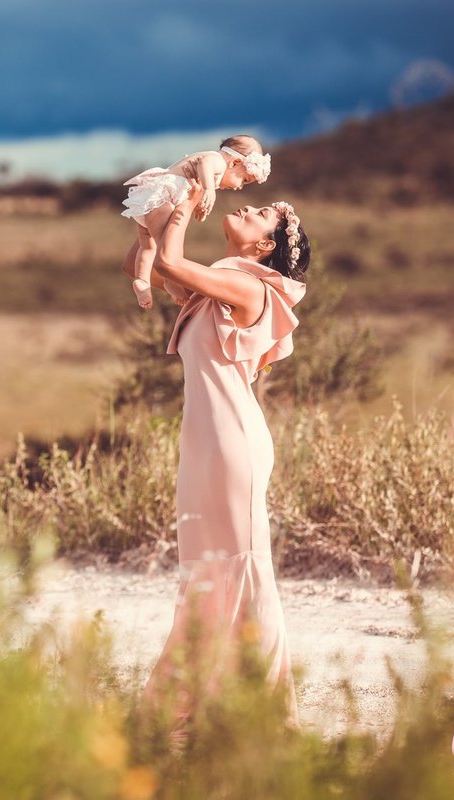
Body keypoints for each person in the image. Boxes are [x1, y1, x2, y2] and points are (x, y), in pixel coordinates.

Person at [140, 181, 310, 744]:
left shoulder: (247, 289)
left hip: (233, 442)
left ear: (264, 247)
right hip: (204, 446)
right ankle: (203, 695)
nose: (249, 207)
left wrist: (190, 202)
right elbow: (147, 264)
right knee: (204, 572)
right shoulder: (213, 293)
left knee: (243, 565)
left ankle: (263, 703)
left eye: (261, 214)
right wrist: (155, 209)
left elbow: (169, 259)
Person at [120, 135, 271, 310]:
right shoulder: (218, 161)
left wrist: (197, 204)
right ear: (235, 163)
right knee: (167, 243)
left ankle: (142, 280)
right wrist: (208, 190)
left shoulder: (215, 170)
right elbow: (204, 163)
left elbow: (193, 188)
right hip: (161, 200)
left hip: (151, 201)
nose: (239, 187)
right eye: (244, 180)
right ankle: (169, 280)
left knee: (148, 246)